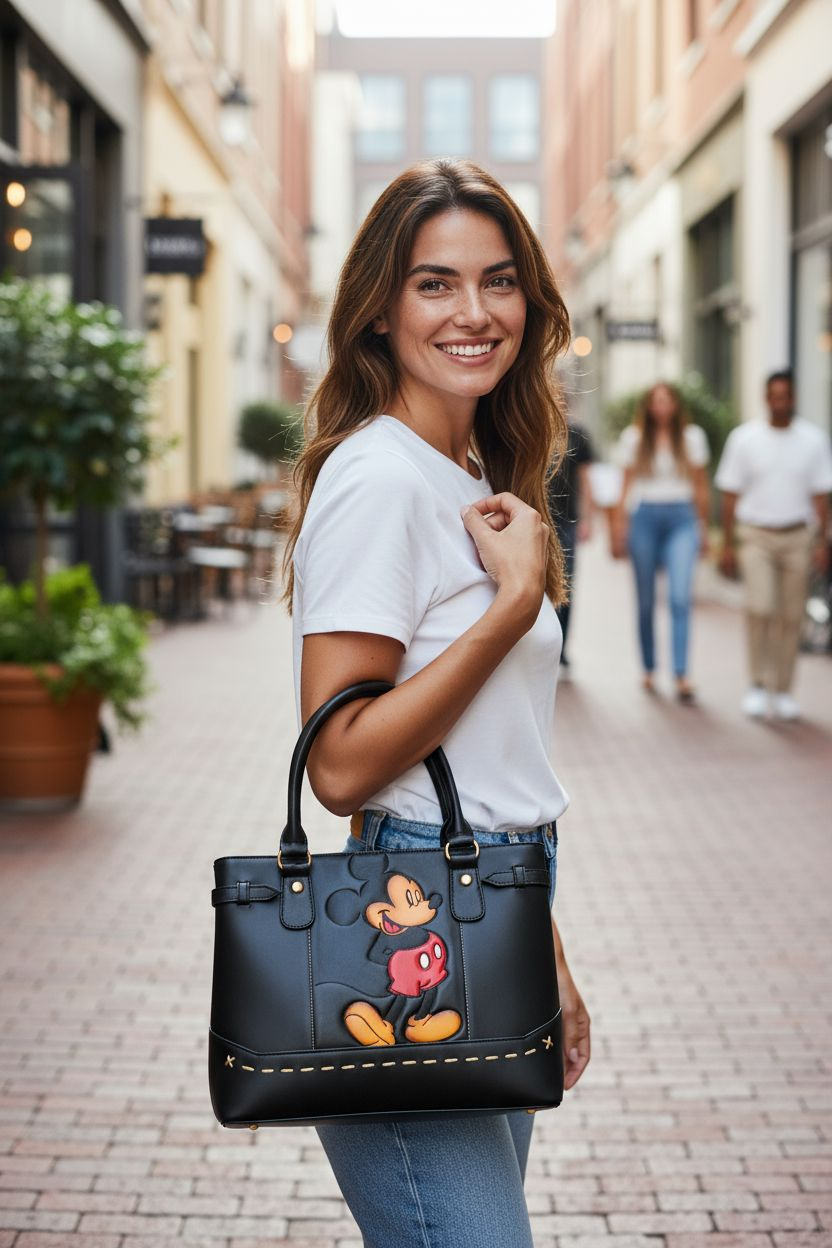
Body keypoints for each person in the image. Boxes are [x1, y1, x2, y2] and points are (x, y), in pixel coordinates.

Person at [282, 159, 591, 1247]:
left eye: (499, 281)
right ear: (379, 308)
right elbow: (340, 766)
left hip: (492, 900)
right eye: (434, 283)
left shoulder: (464, 472)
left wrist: (547, 955)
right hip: (405, 924)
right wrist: (509, 611)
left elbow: (494, 770)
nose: (474, 312)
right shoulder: (380, 479)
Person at [716, 369, 832, 720]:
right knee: (760, 607)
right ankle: (757, 684)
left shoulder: (813, 440)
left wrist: (822, 543)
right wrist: (727, 545)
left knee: (791, 615)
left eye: (786, 396)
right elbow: (730, 495)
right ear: (766, 398)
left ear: (793, 398)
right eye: (775, 395)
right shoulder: (744, 439)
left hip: (798, 535)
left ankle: (782, 690)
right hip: (756, 535)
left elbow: (821, 497)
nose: (780, 402)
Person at [611, 382, 710, 703]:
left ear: (676, 404)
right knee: (645, 599)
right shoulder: (634, 438)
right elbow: (624, 486)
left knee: (680, 597)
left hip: (682, 518)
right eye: (656, 401)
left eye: (667, 400)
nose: (662, 407)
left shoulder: (692, 437)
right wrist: (618, 528)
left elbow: (701, 485)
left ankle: (681, 673)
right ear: (649, 406)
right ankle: (649, 667)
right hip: (645, 517)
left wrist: (703, 528)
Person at [547, 417, 595, 671]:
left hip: (568, 521)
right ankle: (545, 644)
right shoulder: (535, 425)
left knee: (566, 584)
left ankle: (562, 647)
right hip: (537, 516)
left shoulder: (577, 433)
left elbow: (586, 480)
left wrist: (587, 519)